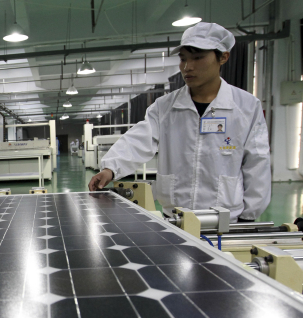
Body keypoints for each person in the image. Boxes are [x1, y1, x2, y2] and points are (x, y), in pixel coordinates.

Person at [88, 22, 270, 222]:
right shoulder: (165, 107)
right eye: (183, 59)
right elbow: (139, 140)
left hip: (225, 221)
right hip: (175, 218)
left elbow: (257, 164)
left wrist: (248, 217)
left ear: (223, 57)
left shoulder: (246, 107)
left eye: (198, 58)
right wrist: (110, 169)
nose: (187, 67)